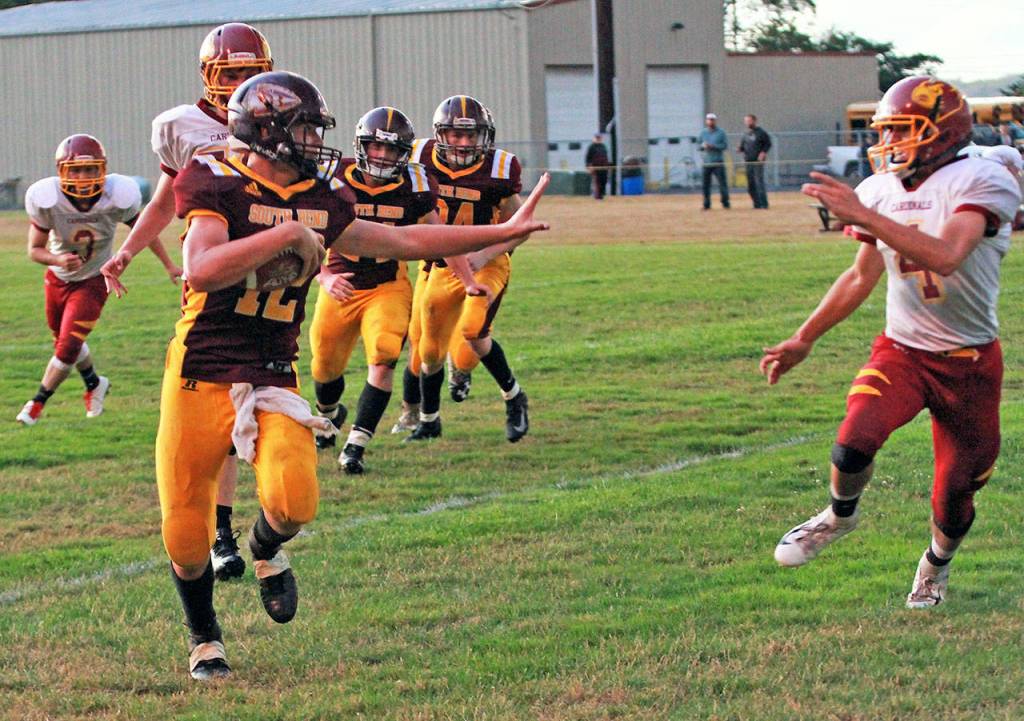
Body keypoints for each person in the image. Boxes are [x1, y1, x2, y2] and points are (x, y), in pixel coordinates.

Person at [160, 71, 548, 680]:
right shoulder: (216, 179)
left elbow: (402, 239)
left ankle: (264, 548)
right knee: (186, 535)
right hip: (200, 370)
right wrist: (288, 234)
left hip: (270, 373)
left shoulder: (319, 194)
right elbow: (203, 269)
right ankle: (205, 638)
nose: (317, 142)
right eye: (306, 129)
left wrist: (502, 231)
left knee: (295, 502)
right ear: (266, 131)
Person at [760, 77, 1021, 609]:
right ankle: (838, 517)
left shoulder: (982, 178)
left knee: (954, 493)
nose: (889, 143)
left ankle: (935, 566)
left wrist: (866, 216)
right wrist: (804, 338)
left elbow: (946, 256)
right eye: (887, 131)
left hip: (970, 363)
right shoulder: (880, 189)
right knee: (853, 439)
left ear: (942, 132)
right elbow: (861, 275)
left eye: (903, 130)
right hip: (903, 351)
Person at [102, 22, 274, 583]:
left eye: (251, 71)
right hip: (211, 279)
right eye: (232, 72)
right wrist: (127, 252)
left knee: (254, 401)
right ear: (208, 75)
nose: (242, 82)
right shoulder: (181, 126)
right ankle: (222, 531)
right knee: (219, 404)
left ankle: (269, 523)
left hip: (271, 279)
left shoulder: (281, 117)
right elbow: (163, 203)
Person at [308, 106, 438, 474]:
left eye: (391, 149)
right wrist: (324, 277)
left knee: (383, 356)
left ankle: (355, 446)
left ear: (404, 153)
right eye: (375, 147)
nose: (382, 156)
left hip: (387, 286)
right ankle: (329, 415)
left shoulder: (414, 184)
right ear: (361, 146)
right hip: (339, 284)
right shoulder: (333, 177)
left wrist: (470, 275)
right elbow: (304, 234)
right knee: (324, 368)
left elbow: (438, 232)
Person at [402, 95, 533, 444]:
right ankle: (429, 421)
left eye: (471, 135)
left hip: (486, 263)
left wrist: (485, 254)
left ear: (483, 136)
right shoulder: (418, 158)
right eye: (455, 134)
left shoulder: (499, 169)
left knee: (473, 333)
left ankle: (514, 397)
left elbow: (517, 229)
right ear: (440, 134)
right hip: (442, 264)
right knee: (428, 352)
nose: (463, 143)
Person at [16, 135, 141, 426]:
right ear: (61, 171)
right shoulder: (48, 198)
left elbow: (143, 230)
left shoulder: (115, 195)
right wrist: (57, 259)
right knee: (65, 343)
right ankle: (95, 383)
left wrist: (169, 264)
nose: (83, 177)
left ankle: (36, 403)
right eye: (76, 170)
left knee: (67, 348)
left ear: (103, 169)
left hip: (94, 279)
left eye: (90, 169)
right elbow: (34, 250)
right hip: (58, 279)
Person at [737, 114, 771, 208]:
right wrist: (740, 149)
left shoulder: (761, 132)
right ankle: (756, 203)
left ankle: (764, 204)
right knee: (750, 184)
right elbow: (742, 146)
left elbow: (768, 144)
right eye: (746, 121)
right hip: (748, 161)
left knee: (759, 182)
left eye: (749, 121)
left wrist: (763, 152)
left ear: (754, 121)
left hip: (757, 161)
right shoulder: (745, 134)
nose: (747, 123)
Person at [699, 113, 729, 210]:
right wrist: (703, 146)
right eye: (709, 120)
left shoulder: (721, 132)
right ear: (706, 121)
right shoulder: (703, 133)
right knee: (705, 184)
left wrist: (713, 146)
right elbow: (698, 146)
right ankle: (706, 203)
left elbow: (724, 146)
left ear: (715, 121)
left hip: (718, 162)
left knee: (722, 183)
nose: (710, 121)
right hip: (707, 162)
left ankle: (725, 202)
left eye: (712, 120)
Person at [585, 133, 610, 199]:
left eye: (599, 138)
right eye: (597, 138)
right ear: (594, 138)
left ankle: (601, 194)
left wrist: (607, 165)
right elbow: (588, 157)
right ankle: (597, 195)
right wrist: (588, 166)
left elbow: (606, 157)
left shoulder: (603, 146)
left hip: (603, 167)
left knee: (604, 180)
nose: (598, 139)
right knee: (597, 181)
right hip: (595, 167)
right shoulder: (592, 147)